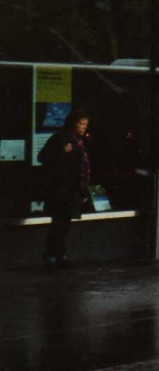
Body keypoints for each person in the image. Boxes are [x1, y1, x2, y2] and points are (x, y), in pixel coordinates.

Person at [38, 109, 92, 268]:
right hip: (61, 189)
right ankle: (52, 256)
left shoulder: (80, 142)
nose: (84, 128)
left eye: (86, 125)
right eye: (81, 124)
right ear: (72, 124)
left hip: (73, 189)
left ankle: (60, 254)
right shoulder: (61, 138)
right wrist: (61, 151)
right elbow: (42, 157)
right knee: (59, 223)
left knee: (65, 223)